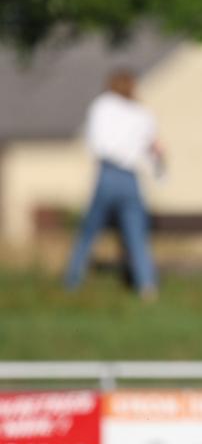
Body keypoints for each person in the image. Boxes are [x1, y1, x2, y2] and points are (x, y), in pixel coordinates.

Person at [64, 68, 161, 300]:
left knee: (89, 231)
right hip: (130, 177)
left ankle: (72, 281)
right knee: (136, 235)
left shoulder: (102, 106)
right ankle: (147, 286)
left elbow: (96, 143)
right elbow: (152, 148)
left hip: (108, 173)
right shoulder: (142, 113)